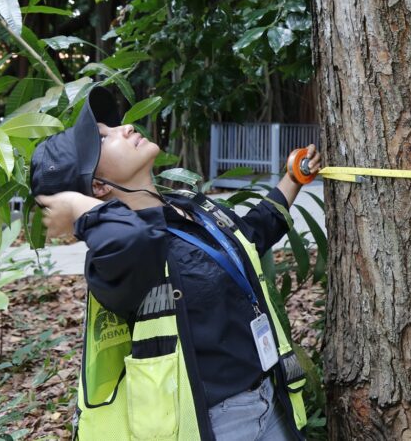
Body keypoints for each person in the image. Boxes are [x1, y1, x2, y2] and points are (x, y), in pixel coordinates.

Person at [31, 87, 321, 441]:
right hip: (214, 424)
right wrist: (79, 208)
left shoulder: (184, 207)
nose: (124, 129)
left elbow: (250, 235)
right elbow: (130, 239)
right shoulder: (118, 259)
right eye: (104, 138)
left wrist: (293, 179)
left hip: (270, 400)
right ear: (97, 185)